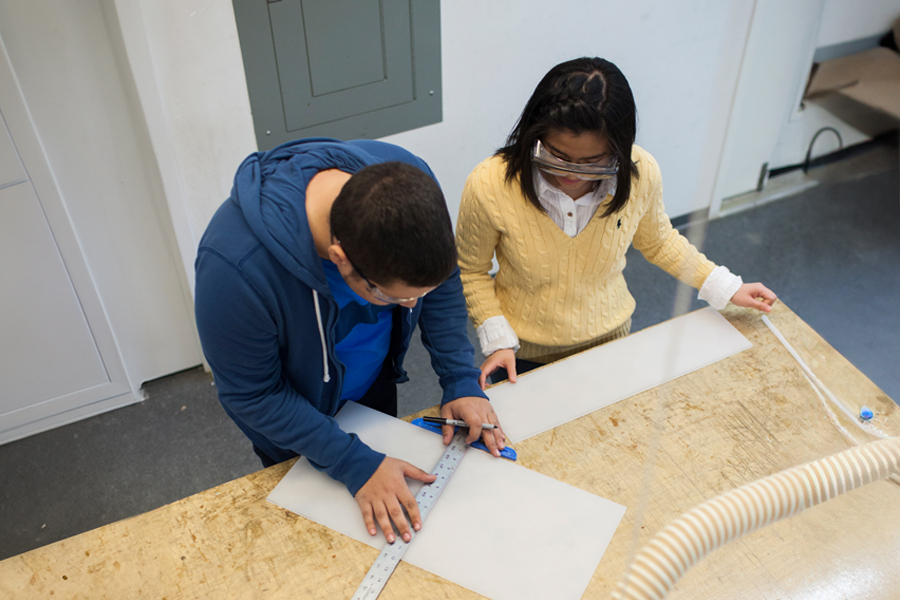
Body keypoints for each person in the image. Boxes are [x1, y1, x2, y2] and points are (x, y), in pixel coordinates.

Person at [195, 137, 505, 545]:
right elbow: (254, 396)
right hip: (292, 415)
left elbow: (441, 282)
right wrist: (350, 461)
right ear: (340, 259)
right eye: (396, 298)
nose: (412, 307)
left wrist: (459, 377)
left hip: (371, 384)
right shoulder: (234, 270)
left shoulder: (408, 180)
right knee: (321, 539)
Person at [455, 57, 777, 388]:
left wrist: (727, 287)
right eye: (557, 156)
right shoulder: (489, 183)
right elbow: (470, 271)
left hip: (611, 341)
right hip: (519, 351)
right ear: (534, 135)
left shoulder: (641, 172)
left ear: (618, 150)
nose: (571, 174)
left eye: (592, 162)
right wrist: (497, 338)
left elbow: (659, 241)